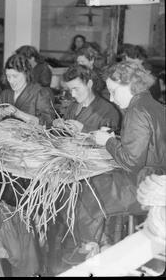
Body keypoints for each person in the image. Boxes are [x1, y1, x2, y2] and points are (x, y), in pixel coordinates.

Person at [65, 61, 166, 264]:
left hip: (143, 186)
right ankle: (100, 244)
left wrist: (108, 141)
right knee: (94, 184)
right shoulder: (153, 104)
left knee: (86, 190)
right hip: (157, 179)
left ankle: (92, 249)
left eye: (113, 91)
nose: (111, 98)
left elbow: (130, 162)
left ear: (128, 84)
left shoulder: (136, 111)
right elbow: (147, 146)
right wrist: (117, 139)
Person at [53, 64, 121, 134]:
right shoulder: (73, 106)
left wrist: (83, 129)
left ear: (89, 84)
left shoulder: (108, 112)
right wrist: (59, 125)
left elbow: (108, 141)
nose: (73, 94)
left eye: (76, 89)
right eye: (70, 90)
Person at [0, 53, 55, 127]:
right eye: (8, 76)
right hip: (6, 137)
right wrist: (0, 113)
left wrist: (19, 114)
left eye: (15, 76)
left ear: (26, 74)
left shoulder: (40, 93)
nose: (10, 80)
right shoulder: (5, 94)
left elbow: (48, 124)